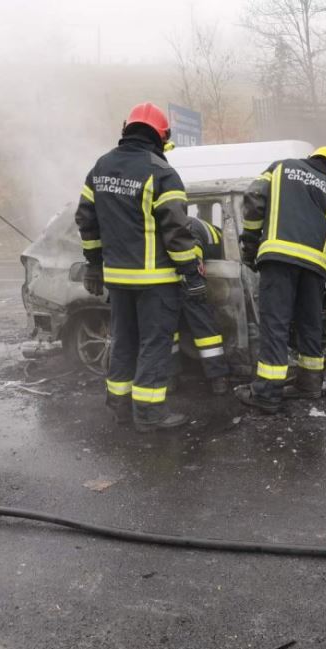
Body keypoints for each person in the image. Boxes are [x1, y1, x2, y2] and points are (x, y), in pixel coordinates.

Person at [75, 101, 205, 432]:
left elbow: (86, 221)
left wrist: (94, 265)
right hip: (156, 280)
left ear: (126, 129)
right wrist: (191, 274)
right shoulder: (161, 172)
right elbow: (176, 232)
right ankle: (148, 414)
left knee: (123, 342)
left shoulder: (100, 167)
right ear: (162, 136)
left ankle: (120, 407)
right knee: (154, 344)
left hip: (117, 280)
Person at [234, 146, 326, 414]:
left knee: (275, 325)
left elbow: (254, 198)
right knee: (309, 326)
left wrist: (250, 246)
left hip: (278, 261)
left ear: (312, 157)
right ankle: (309, 385)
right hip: (314, 269)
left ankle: (267, 394)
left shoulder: (282, 166)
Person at [170, 217, 230, 395]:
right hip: (187, 277)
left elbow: (193, 256)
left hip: (175, 278)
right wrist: (195, 283)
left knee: (168, 330)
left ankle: (170, 378)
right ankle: (218, 379)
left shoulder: (186, 228)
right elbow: (194, 258)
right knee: (204, 327)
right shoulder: (202, 230)